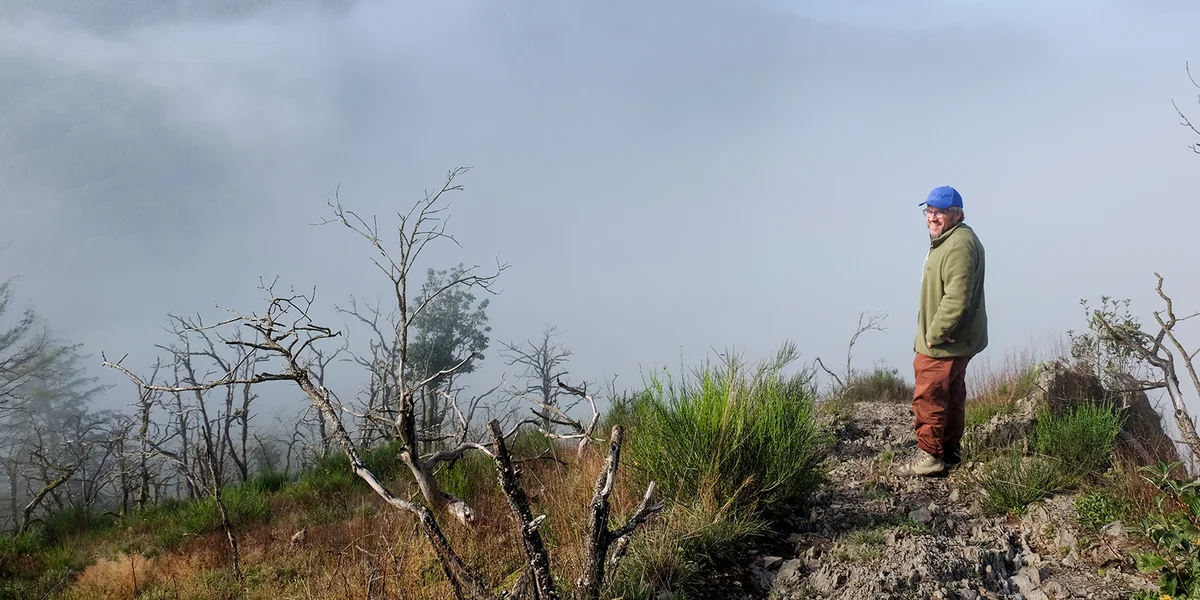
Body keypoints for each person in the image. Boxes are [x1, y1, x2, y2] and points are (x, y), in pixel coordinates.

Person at [895, 185, 988, 477]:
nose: (933, 217)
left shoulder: (958, 245)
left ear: (957, 214)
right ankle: (948, 451)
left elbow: (956, 298)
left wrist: (934, 334)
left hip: (945, 342)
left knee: (930, 395)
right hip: (955, 340)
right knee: (952, 393)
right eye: (929, 211)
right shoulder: (949, 240)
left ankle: (930, 457)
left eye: (941, 212)